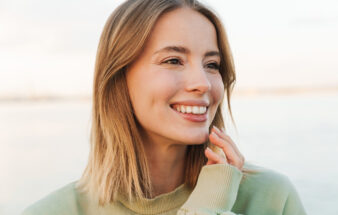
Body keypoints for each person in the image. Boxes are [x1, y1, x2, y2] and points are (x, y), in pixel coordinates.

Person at [22, 0, 307, 214]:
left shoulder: (271, 199)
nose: (203, 83)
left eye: (212, 65)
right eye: (173, 60)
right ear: (118, 78)